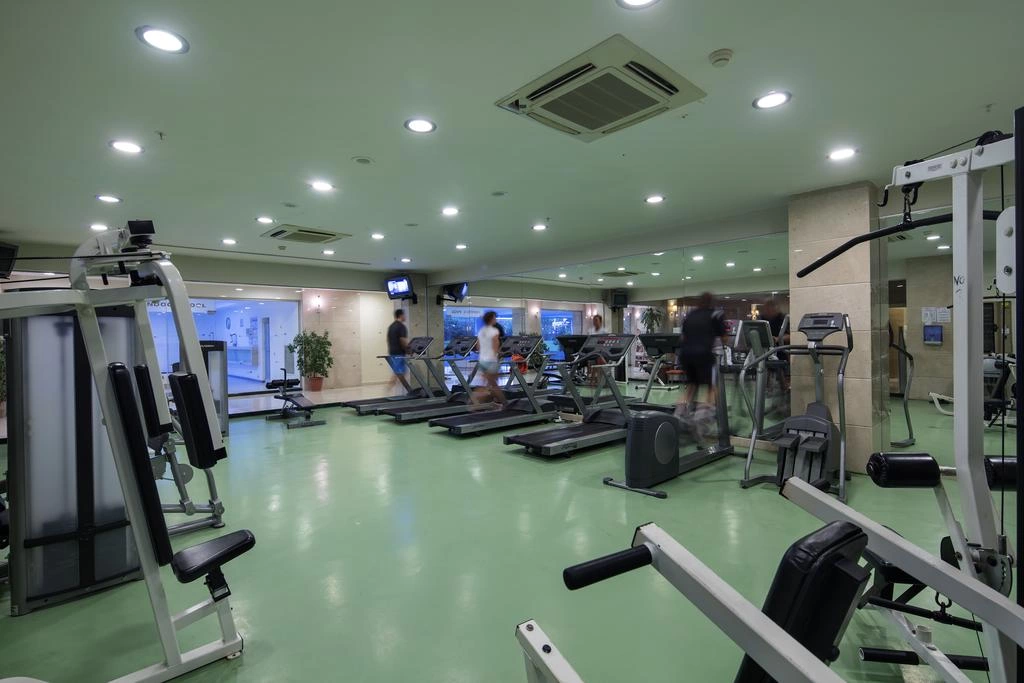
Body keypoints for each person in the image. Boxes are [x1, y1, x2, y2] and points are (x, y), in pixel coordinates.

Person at [676, 293, 727, 438]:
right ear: (711, 303)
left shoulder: (690, 315)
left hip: (686, 355)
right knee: (712, 386)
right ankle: (702, 416)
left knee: (692, 385)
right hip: (703, 354)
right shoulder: (716, 314)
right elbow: (724, 338)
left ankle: (679, 414)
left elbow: (683, 337)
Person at [473, 311, 505, 407]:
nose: (495, 319)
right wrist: (498, 354)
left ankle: (497, 402)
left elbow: (478, 347)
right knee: (493, 384)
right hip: (491, 361)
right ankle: (473, 402)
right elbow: (496, 346)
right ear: (491, 319)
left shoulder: (481, 331)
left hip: (482, 360)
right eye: (494, 318)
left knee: (488, 383)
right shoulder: (494, 331)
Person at [386, 309, 409, 395]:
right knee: (398, 373)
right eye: (404, 315)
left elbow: (388, 340)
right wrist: (408, 349)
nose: (405, 317)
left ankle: (405, 391)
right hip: (399, 353)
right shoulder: (401, 326)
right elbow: (402, 340)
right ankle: (387, 391)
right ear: (401, 315)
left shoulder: (391, 326)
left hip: (392, 352)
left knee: (400, 373)